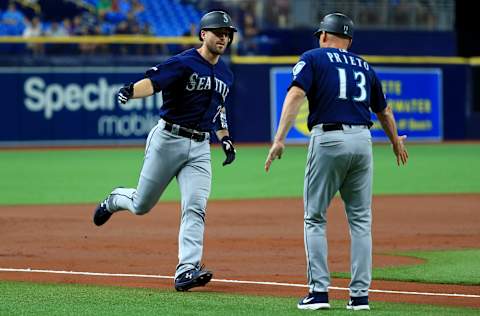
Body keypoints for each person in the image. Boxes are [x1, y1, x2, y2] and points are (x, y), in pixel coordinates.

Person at [265, 13, 408, 311]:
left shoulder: (313, 57)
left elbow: (295, 94)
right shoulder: (365, 65)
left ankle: (318, 293)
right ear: (350, 41)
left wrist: (279, 138)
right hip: (362, 141)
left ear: (325, 36)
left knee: (315, 217)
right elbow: (384, 111)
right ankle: (359, 297)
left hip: (329, 138)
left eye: (321, 34)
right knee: (361, 222)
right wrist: (395, 141)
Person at [93, 10, 238, 292]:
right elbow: (155, 81)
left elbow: (218, 108)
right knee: (141, 204)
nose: (223, 37)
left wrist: (225, 138)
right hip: (168, 139)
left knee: (196, 206)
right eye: (218, 32)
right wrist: (131, 91)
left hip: (199, 147)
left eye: (227, 33)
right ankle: (114, 199)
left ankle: (186, 270)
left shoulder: (226, 73)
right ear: (203, 34)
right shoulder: (184, 62)